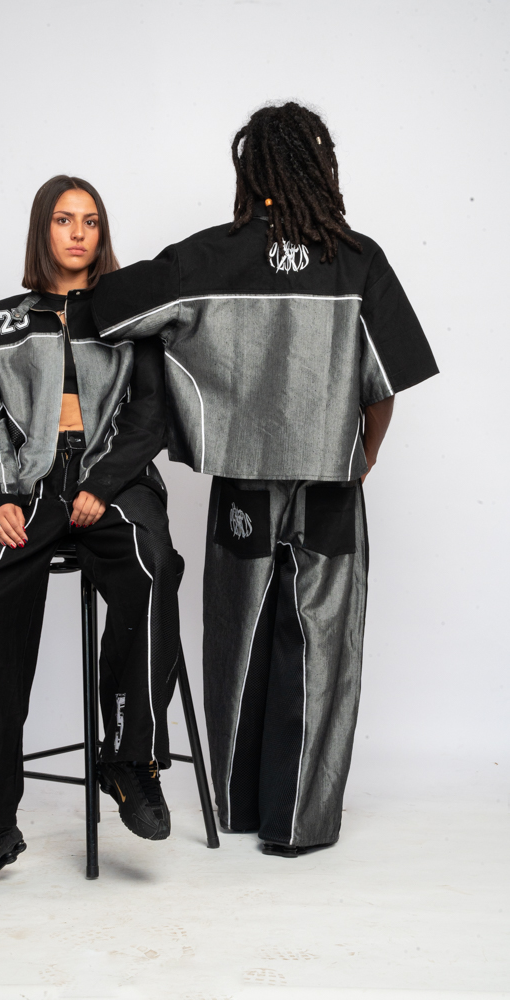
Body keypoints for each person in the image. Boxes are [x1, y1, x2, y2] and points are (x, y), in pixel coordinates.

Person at [92, 103, 439, 857]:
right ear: (322, 167)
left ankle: (237, 806)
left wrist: (190, 389)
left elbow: (107, 314)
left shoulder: (213, 255)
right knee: (321, 646)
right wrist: (365, 454)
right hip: (330, 484)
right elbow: (384, 387)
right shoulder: (358, 259)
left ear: (249, 171)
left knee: (236, 639)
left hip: (244, 481)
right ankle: (297, 826)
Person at [0, 175, 183, 902]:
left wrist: (104, 482)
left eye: (91, 222)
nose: (78, 233)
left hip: (112, 481)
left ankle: (128, 758)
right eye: (65, 220)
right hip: (24, 487)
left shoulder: (130, 318)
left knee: (152, 564)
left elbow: (151, 412)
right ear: (43, 229)